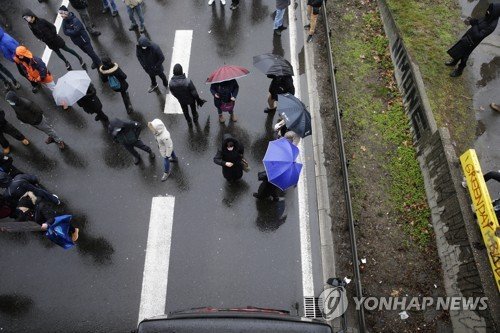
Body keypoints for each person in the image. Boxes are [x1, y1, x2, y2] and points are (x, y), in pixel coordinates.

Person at [446, 3, 500, 77]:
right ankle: (454, 61)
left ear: (495, 12)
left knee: (464, 56)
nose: (487, 11)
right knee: (460, 47)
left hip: (472, 42)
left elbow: (479, 35)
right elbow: (479, 22)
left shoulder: (492, 26)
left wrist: (474, 24)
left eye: (490, 10)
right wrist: (472, 21)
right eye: (488, 9)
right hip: (469, 34)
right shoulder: (489, 16)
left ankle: (459, 71)